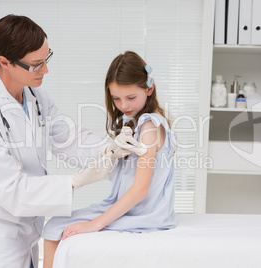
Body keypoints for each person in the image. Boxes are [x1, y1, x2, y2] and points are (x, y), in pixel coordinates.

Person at [0, 15, 144, 268]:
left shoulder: (34, 94)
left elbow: (67, 137)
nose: (46, 70)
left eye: (47, 58)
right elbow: (12, 190)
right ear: (4, 62)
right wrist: (75, 182)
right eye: (36, 64)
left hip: (28, 223)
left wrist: (110, 149)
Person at [42, 51, 177, 268]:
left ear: (149, 89)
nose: (123, 105)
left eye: (131, 97)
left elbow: (141, 189)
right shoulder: (134, 122)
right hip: (138, 207)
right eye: (116, 98)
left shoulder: (149, 126)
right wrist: (111, 153)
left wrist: (95, 224)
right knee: (56, 224)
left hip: (144, 212)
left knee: (54, 227)